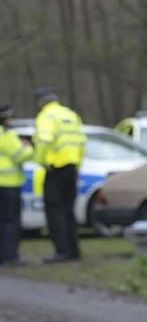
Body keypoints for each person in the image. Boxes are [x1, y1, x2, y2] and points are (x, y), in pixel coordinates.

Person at [33, 87, 86, 263]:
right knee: (69, 210)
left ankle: (61, 251)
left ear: (41, 102)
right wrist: (77, 165)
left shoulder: (46, 117)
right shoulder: (71, 115)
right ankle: (74, 250)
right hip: (72, 167)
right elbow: (81, 143)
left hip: (55, 168)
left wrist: (41, 161)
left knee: (55, 210)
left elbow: (45, 140)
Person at [0, 105, 33, 266]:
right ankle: (10, 256)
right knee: (11, 222)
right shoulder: (7, 135)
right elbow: (19, 156)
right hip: (9, 184)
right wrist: (28, 147)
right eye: (9, 118)